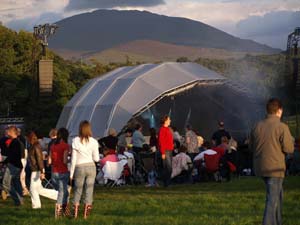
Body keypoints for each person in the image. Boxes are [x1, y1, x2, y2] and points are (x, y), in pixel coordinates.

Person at [250, 98, 294, 225]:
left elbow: (251, 147)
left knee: (278, 195)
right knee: (272, 199)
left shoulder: (257, 126)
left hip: (260, 167)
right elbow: (289, 149)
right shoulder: (282, 127)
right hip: (275, 167)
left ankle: (278, 222)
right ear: (279, 110)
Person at [70, 120, 100, 219]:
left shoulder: (75, 141)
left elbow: (73, 158)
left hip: (79, 167)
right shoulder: (94, 141)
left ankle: (75, 213)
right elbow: (96, 159)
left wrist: (71, 173)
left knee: (78, 189)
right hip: (91, 167)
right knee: (89, 190)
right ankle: (86, 214)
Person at [27, 131, 58, 209]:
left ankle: (36, 206)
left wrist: (42, 171)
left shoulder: (36, 146)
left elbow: (39, 159)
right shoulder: (33, 146)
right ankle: (57, 195)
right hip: (36, 169)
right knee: (39, 189)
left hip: (37, 170)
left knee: (32, 189)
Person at [49, 128, 71, 218]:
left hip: (54, 172)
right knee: (62, 193)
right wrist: (70, 159)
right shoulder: (65, 146)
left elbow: (49, 161)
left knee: (65, 192)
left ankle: (65, 211)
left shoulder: (53, 146)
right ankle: (58, 211)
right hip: (63, 171)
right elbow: (65, 160)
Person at [2, 126, 25, 206]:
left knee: (6, 184)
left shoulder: (15, 143)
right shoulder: (17, 142)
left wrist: (4, 162)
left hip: (13, 165)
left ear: (12, 132)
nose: (7, 133)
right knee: (16, 183)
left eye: (8, 131)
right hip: (17, 165)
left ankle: (17, 200)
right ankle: (20, 201)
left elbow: (12, 155)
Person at [158, 115, 174, 187]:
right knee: (168, 167)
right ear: (165, 120)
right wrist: (163, 152)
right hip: (166, 150)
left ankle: (167, 182)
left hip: (170, 150)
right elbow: (161, 142)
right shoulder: (162, 129)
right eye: (169, 119)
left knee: (169, 167)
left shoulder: (168, 129)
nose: (170, 120)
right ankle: (166, 183)